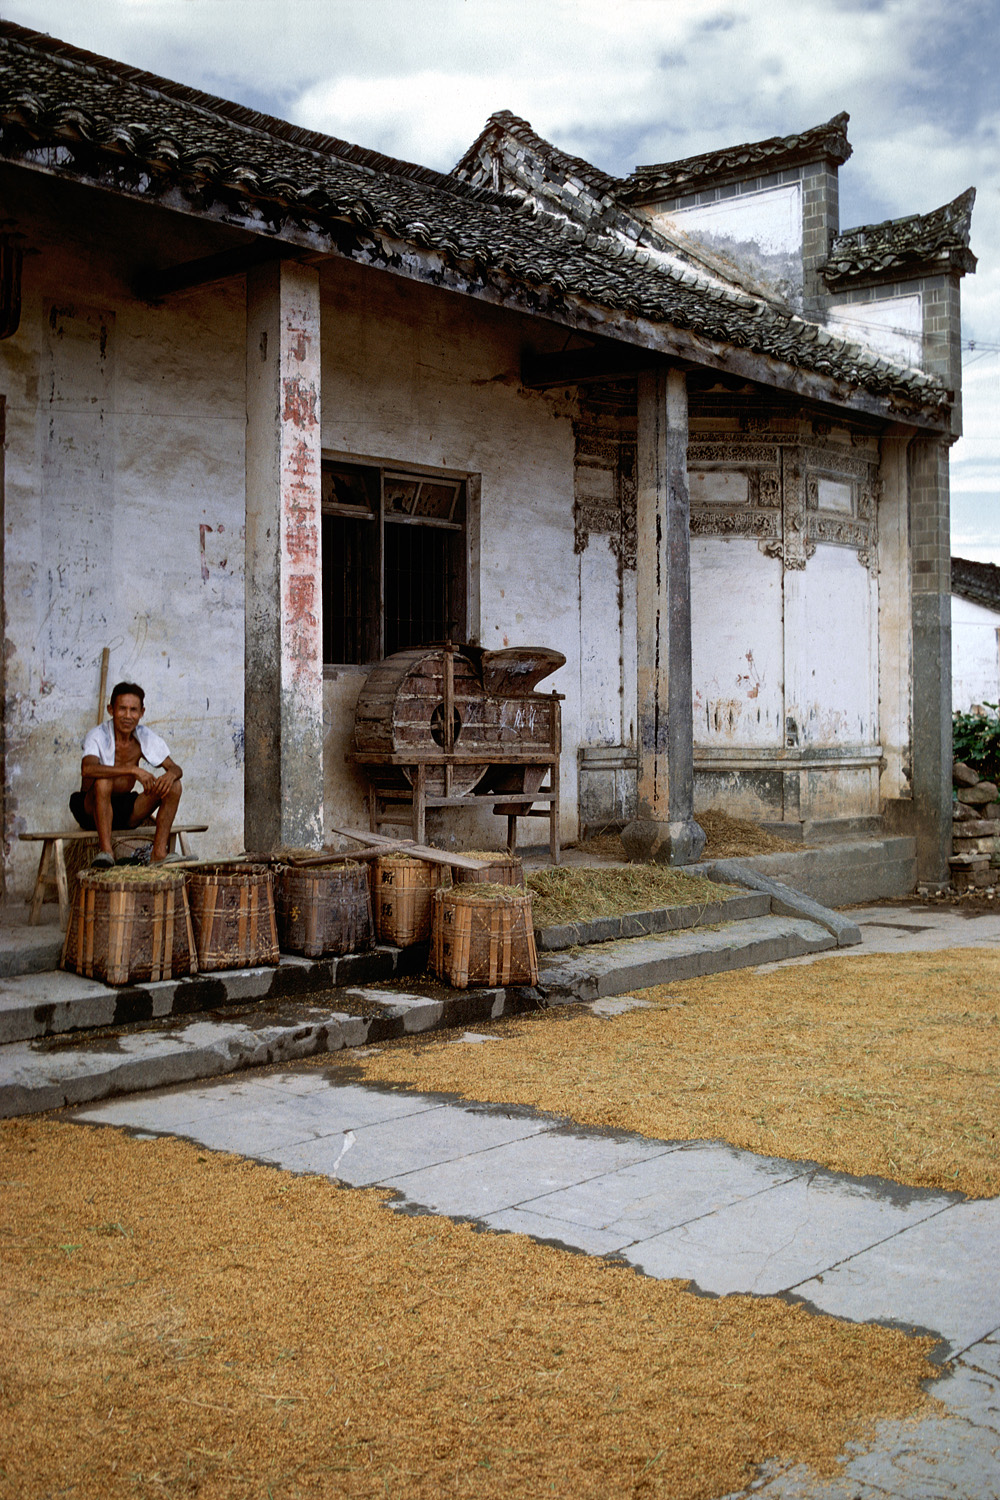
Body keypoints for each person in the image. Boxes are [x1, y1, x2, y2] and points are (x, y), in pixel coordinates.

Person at [69, 681, 184, 867]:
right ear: (111, 709)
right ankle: (106, 852)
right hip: (92, 809)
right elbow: (87, 769)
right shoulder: (97, 735)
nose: (128, 716)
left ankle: (159, 854)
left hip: (125, 810)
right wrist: (133, 769)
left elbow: (176, 768)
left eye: (133, 710)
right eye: (122, 709)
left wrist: (170, 775)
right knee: (103, 782)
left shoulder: (143, 735)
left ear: (142, 713)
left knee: (175, 785)